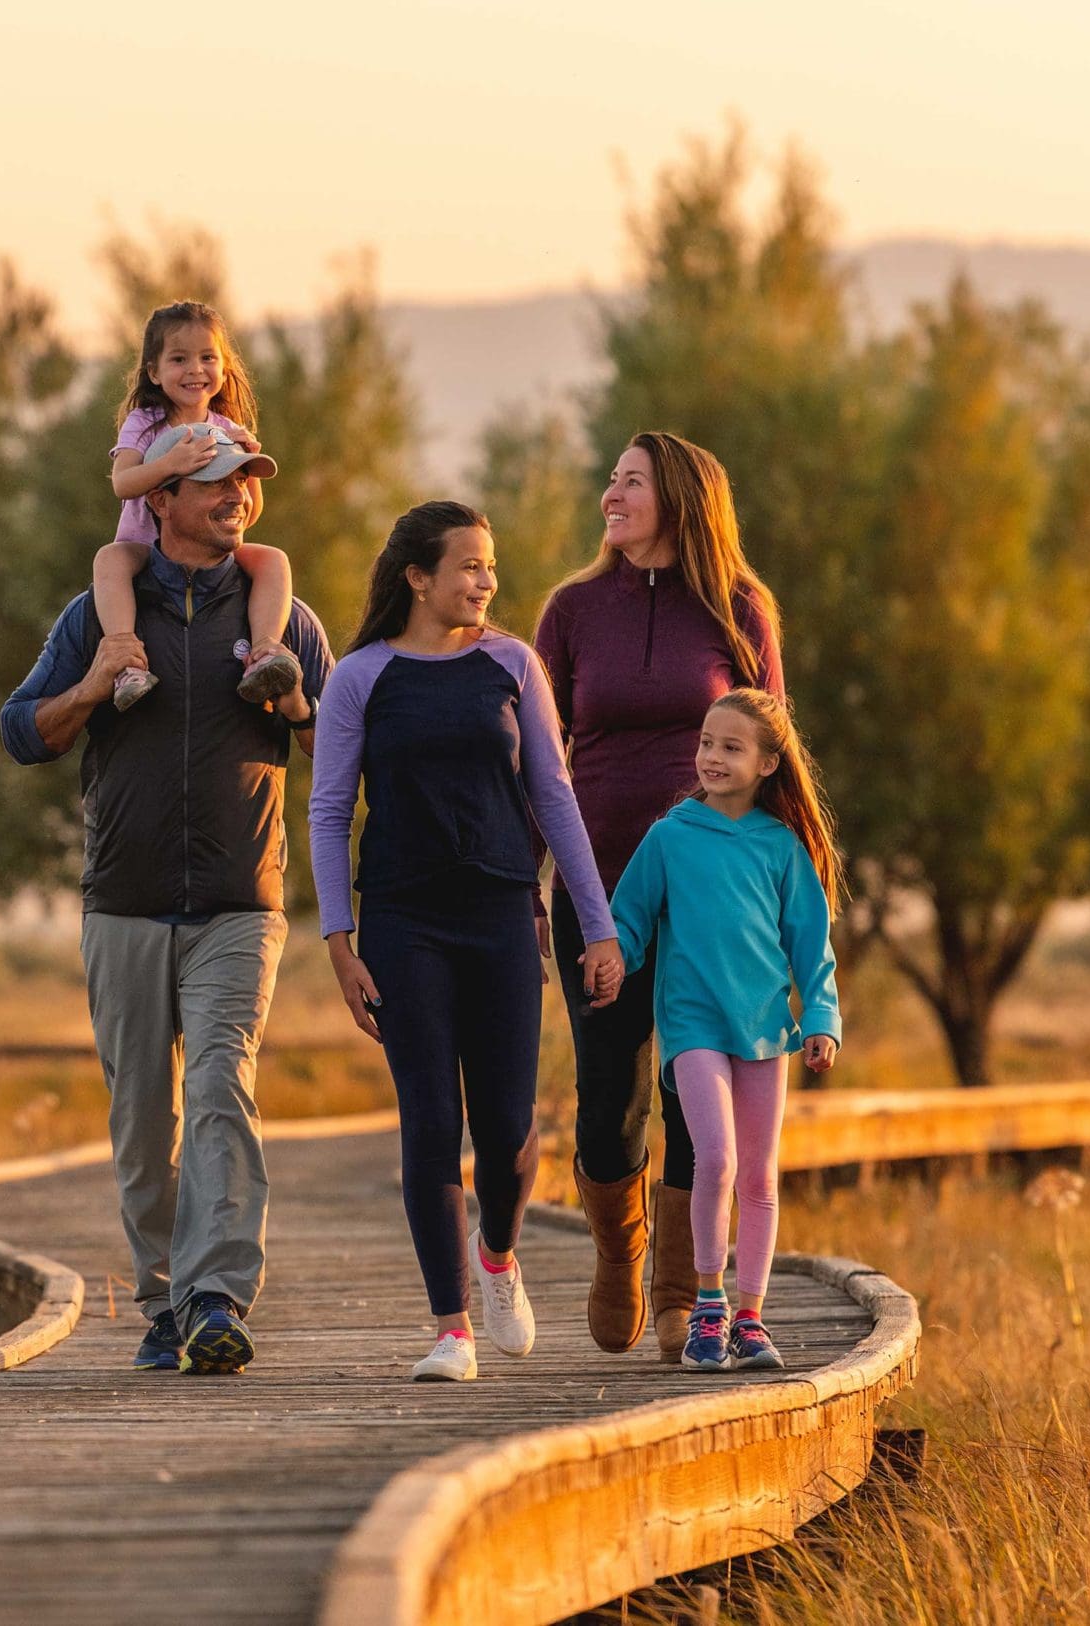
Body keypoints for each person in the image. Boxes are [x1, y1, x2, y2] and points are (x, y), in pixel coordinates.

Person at [0, 424, 331, 1375]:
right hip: (125, 903)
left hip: (240, 901)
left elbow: (347, 744)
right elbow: (23, 730)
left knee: (222, 1083)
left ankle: (217, 1294)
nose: (238, 497)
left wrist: (299, 705)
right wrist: (95, 688)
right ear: (163, 501)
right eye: (217, 483)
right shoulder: (101, 614)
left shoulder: (279, 614)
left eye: (246, 483)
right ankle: (163, 1298)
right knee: (146, 1124)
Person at [309, 501, 622, 1383]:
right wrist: (341, 939)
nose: (486, 581)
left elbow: (556, 800)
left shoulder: (513, 665)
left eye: (491, 566)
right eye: (470, 566)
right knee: (431, 1121)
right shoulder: (361, 677)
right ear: (418, 576)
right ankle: (452, 1328)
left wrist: (595, 926)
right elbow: (330, 812)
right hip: (404, 921)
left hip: (500, 915)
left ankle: (497, 1254)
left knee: (510, 1127)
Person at [532, 430, 786, 1361]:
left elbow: (774, 751)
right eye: (609, 479)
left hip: (710, 894)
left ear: (677, 498)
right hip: (597, 886)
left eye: (629, 481)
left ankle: (682, 1294)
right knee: (607, 1094)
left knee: (697, 1094)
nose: (610, 494)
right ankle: (619, 1255)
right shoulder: (570, 610)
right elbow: (535, 755)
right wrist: (530, 871)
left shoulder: (740, 611)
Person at [602, 688, 843, 1373]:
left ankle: (750, 1317)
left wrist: (821, 1020)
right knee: (718, 1160)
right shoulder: (671, 836)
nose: (711, 756)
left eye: (730, 747)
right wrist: (612, 956)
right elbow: (631, 918)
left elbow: (811, 947)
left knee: (761, 1177)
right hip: (693, 1025)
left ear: (768, 763)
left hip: (767, 1030)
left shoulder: (783, 847)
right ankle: (707, 1308)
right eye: (707, 742)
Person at [96, 300, 302, 712]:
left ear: (224, 367)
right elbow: (123, 483)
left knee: (273, 560)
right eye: (179, 359)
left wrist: (247, 467)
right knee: (110, 560)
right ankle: (126, 659)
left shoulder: (227, 428)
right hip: (146, 545)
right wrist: (170, 464)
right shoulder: (145, 421)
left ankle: (264, 653)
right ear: (154, 372)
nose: (195, 369)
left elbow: (249, 511)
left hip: (209, 546)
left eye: (208, 357)